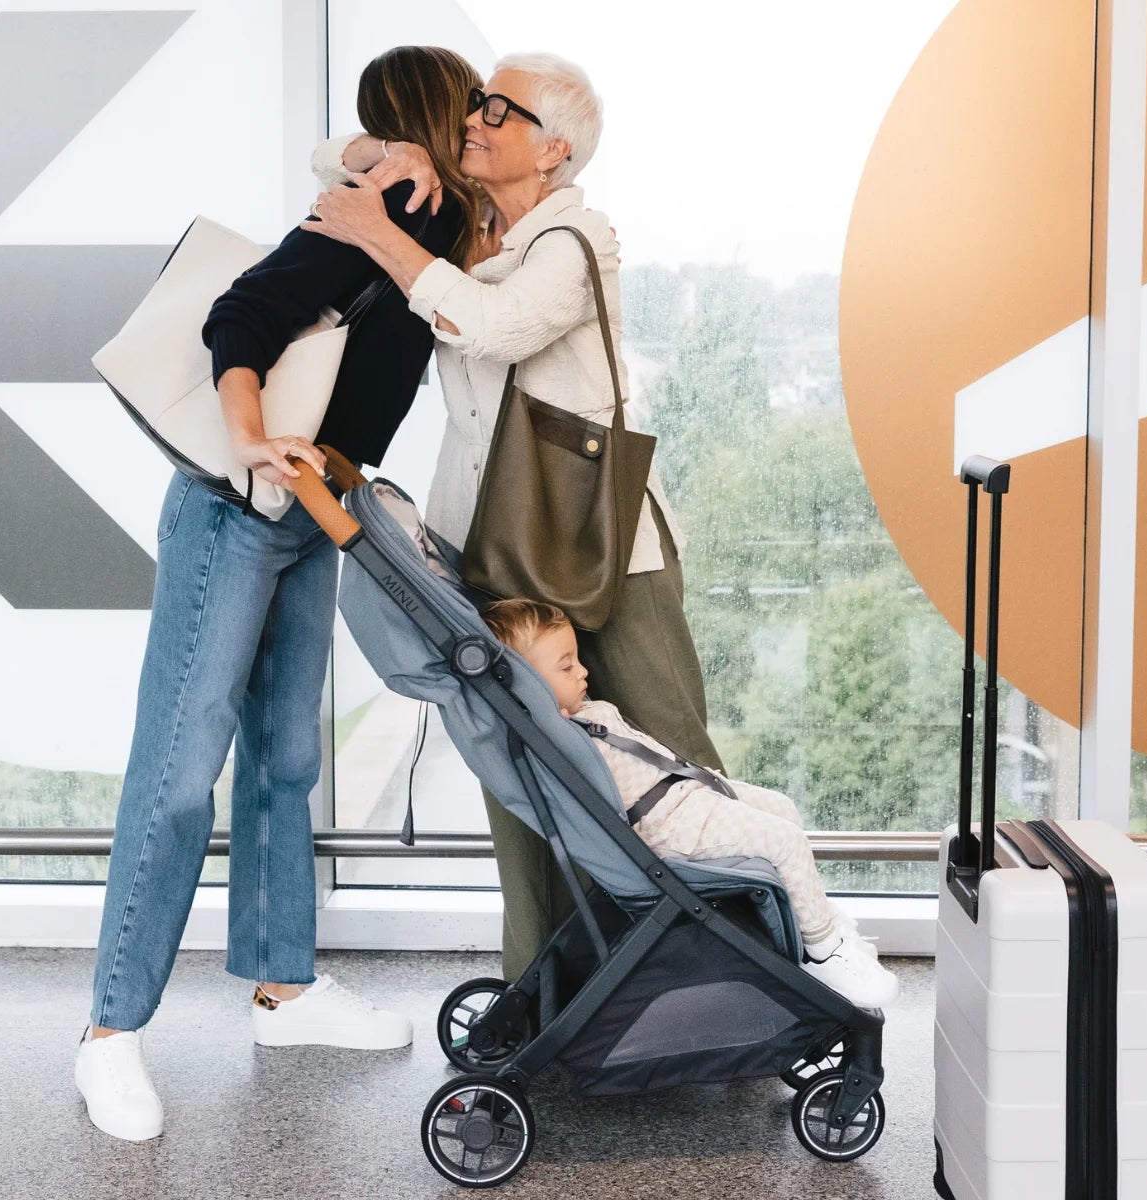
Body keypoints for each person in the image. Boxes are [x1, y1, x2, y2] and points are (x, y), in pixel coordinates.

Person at [74, 46, 480, 1144]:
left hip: (313, 512)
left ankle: (284, 990)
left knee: (287, 758)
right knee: (179, 769)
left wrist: (365, 152)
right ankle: (109, 1031)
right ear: (440, 114)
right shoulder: (387, 203)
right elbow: (242, 314)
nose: (481, 126)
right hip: (235, 509)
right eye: (472, 110)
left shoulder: (423, 212)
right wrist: (252, 438)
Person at [304, 53, 728, 983]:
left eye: (502, 109)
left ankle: (738, 980)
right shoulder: (465, 227)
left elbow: (497, 330)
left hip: (606, 545)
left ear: (555, 150)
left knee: (671, 757)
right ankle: (539, 990)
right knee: (524, 776)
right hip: (489, 544)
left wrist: (383, 235)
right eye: (477, 103)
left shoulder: (576, 239)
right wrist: (384, 157)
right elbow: (327, 153)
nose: (476, 117)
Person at [481, 598, 901, 1010]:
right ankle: (825, 955)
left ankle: (815, 925)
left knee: (782, 807)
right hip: (669, 825)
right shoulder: (551, 738)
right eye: (566, 666)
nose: (583, 670)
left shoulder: (581, 714)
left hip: (684, 795)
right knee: (785, 841)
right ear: (528, 684)